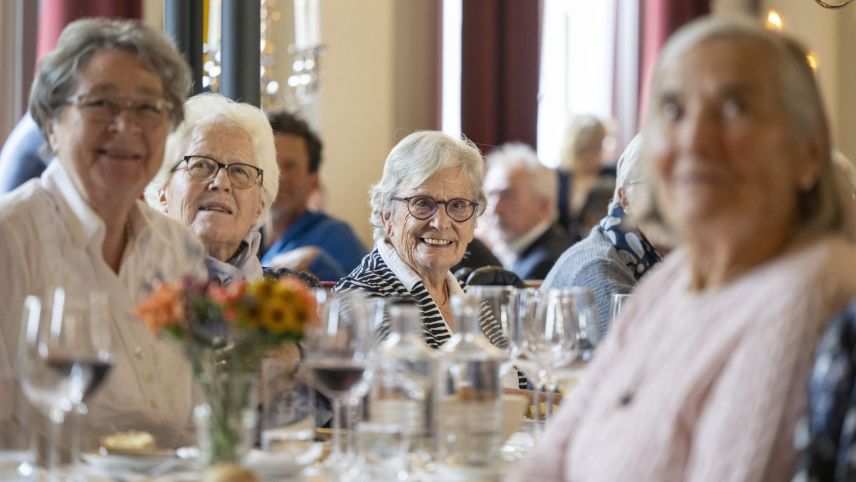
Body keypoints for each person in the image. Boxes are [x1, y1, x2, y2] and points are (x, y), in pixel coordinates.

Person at [509, 17, 856, 482]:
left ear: (809, 151)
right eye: (673, 109)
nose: (694, 138)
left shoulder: (806, 292)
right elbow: (554, 451)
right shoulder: (673, 280)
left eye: (735, 107)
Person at [0, 18, 207, 449]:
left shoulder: (180, 249)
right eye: (101, 103)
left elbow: (195, 420)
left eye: (148, 107)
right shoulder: (10, 239)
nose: (126, 126)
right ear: (52, 125)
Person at [334, 131, 507, 350]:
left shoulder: (470, 298)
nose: (441, 223)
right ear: (387, 215)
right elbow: (403, 372)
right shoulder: (361, 299)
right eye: (423, 203)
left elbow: (514, 371)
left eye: (458, 205)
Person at [145, 93, 279, 285]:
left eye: (239, 171)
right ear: (163, 190)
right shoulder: (129, 288)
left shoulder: (296, 297)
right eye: (201, 165)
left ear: (260, 205)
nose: (221, 183)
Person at [542, 135, 663, 336]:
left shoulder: (665, 262)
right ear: (625, 199)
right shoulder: (600, 270)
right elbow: (634, 355)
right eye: (657, 188)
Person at [261, 111, 368, 281]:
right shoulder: (243, 237)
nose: (280, 175)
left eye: (291, 166)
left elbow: (368, 296)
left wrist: (318, 263)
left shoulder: (337, 237)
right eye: (272, 163)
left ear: (313, 179)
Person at [481, 143, 571, 280]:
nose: (495, 209)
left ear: (544, 206)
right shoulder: (515, 252)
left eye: (508, 195)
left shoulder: (545, 264)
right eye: (491, 195)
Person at [556, 114, 616, 241]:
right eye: (589, 147)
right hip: (561, 247)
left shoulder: (612, 176)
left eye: (599, 145)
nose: (595, 153)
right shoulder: (558, 178)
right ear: (575, 147)